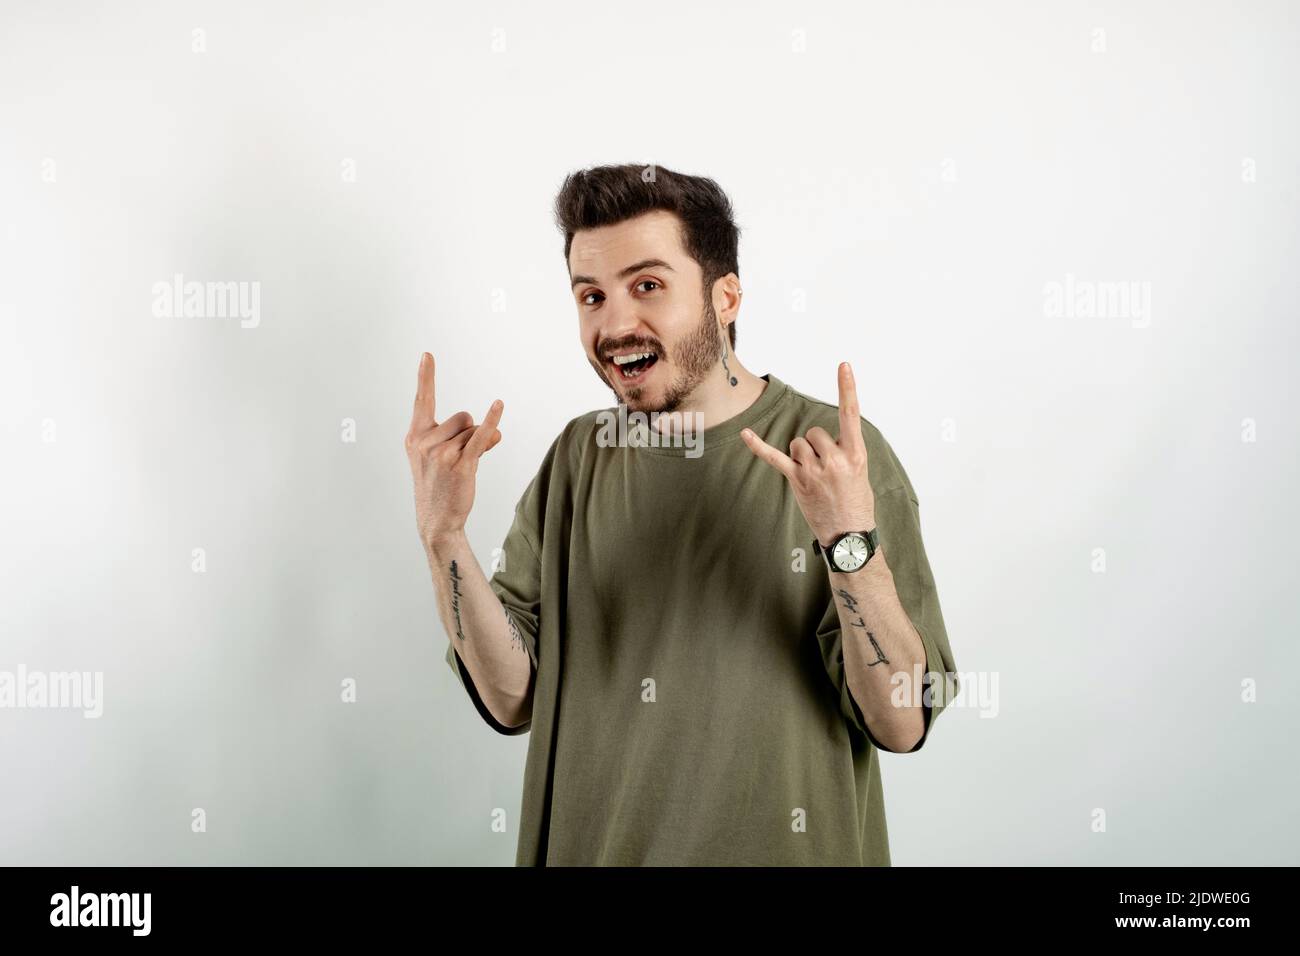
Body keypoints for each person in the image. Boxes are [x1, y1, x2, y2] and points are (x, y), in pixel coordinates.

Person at [405, 163, 959, 866]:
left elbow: (902, 720)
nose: (614, 323)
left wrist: (849, 541)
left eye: (647, 286)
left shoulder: (836, 457)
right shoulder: (578, 458)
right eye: (591, 296)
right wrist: (443, 536)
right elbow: (514, 699)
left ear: (725, 296)